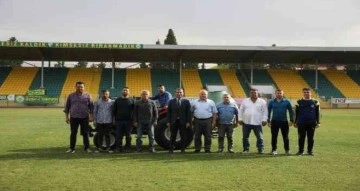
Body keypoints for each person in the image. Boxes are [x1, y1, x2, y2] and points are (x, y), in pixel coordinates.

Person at [64, 81, 94, 153]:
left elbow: (91, 107)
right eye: (78, 87)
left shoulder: (88, 96)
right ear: (75, 87)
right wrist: (67, 117)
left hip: (85, 117)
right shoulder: (71, 96)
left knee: (85, 133)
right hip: (74, 117)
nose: (80, 88)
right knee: (73, 133)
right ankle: (72, 148)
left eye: (81, 87)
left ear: (84, 87)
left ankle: (87, 148)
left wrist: (91, 116)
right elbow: (67, 107)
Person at [239, 88, 268, 154]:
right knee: (245, 137)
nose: (254, 94)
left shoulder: (262, 101)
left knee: (259, 137)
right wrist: (240, 119)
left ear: (257, 93)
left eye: (255, 92)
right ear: (250, 93)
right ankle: (246, 149)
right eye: (252, 92)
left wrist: (264, 119)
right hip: (246, 122)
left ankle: (260, 149)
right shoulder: (245, 101)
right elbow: (241, 110)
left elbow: (265, 111)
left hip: (257, 122)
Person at [294, 88, 320, 156]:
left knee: (311, 138)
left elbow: (318, 113)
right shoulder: (298, 101)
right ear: (303, 93)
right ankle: (300, 151)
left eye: (307, 92)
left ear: (310, 93)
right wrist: (295, 122)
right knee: (301, 137)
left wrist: (318, 122)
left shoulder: (315, 101)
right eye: (305, 92)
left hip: (312, 123)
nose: (306, 93)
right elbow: (295, 113)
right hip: (301, 122)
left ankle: (310, 151)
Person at [166, 88, 191, 153]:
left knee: (183, 136)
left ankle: (182, 149)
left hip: (183, 121)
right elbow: (169, 112)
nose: (179, 93)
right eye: (177, 92)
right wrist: (168, 121)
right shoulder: (171, 101)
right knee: (172, 136)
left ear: (183, 93)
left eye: (180, 92)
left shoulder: (186, 101)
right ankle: (171, 149)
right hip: (173, 121)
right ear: (175, 93)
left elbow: (188, 112)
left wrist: (188, 122)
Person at [113, 87, 135, 152]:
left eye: (126, 90)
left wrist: (134, 120)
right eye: (124, 90)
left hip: (129, 121)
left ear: (129, 92)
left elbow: (134, 111)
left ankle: (128, 148)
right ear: (121, 91)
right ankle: (118, 148)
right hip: (119, 121)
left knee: (128, 135)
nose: (125, 91)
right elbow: (114, 111)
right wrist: (113, 119)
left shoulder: (132, 100)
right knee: (119, 135)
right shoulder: (117, 100)